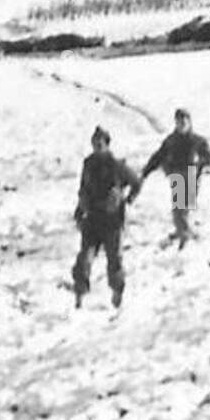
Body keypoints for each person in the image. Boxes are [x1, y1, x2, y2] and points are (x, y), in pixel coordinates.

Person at [73, 126, 141, 309]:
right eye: (94, 144)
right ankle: (79, 294)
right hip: (92, 219)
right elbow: (83, 189)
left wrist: (128, 199)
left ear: (107, 144)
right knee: (84, 259)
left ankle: (118, 292)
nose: (97, 147)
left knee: (114, 260)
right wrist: (79, 211)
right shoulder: (88, 164)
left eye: (100, 143)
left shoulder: (117, 165)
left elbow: (136, 182)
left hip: (112, 221)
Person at [142, 108, 210, 247]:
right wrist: (146, 171)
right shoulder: (171, 141)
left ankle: (183, 231)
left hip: (192, 176)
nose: (181, 124)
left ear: (189, 123)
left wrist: (201, 164)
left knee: (186, 207)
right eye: (179, 122)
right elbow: (158, 156)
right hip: (177, 175)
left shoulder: (197, 141)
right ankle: (184, 234)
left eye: (184, 121)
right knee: (179, 208)